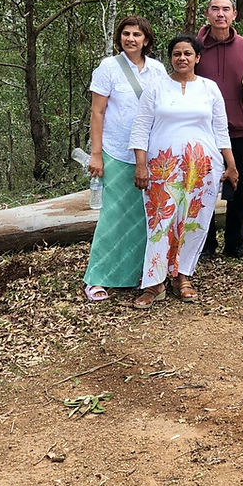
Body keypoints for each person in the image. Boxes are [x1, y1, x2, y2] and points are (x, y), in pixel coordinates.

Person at [128, 35, 240, 308]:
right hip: (162, 168)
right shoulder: (156, 88)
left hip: (202, 168)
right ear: (171, 58)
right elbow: (141, 128)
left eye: (187, 53)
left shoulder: (210, 88)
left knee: (195, 220)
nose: (182, 58)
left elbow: (220, 129)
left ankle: (183, 276)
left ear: (197, 58)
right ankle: (154, 283)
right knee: (160, 223)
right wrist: (140, 164)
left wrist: (231, 164)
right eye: (177, 53)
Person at [82, 15, 167, 302]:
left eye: (137, 35)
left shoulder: (157, 70)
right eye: (126, 34)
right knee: (113, 217)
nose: (131, 39)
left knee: (145, 217)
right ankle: (98, 276)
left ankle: (139, 274)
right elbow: (97, 112)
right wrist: (96, 155)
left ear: (146, 40)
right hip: (116, 151)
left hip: (150, 153)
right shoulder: (108, 68)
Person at [196, 0, 243, 259]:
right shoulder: (195, 46)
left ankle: (234, 244)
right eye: (215, 9)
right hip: (202, 131)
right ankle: (205, 245)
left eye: (226, 9)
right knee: (203, 188)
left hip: (238, 131)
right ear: (207, 14)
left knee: (237, 187)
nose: (220, 14)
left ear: (234, 14)